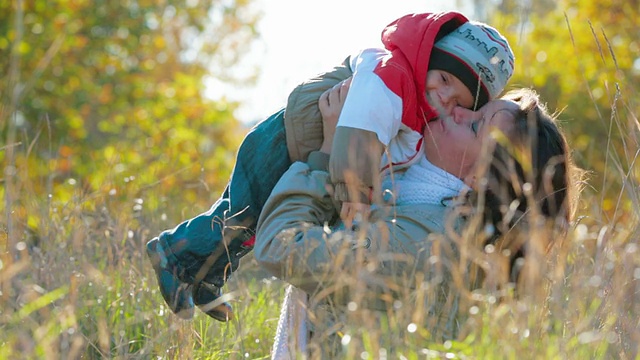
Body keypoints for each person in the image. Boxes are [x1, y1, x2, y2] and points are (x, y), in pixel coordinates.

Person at [146, 11, 516, 320]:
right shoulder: (392, 78)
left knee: (248, 220)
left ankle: (204, 272)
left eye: (459, 101)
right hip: (289, 135)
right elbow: (357, 131)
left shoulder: (416, 100)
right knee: (241, 213)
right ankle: (175, 252)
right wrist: (353, 189)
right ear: (430, 60)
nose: (444, 97)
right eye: (445, 79)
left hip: (303, 144)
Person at [254, 85, 582, 357]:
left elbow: (281, 247)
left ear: (482, 177)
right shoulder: (411, 204)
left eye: (474, 124)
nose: (458, 110)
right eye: (476, 109)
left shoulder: (426, 240)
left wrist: (328, 155)